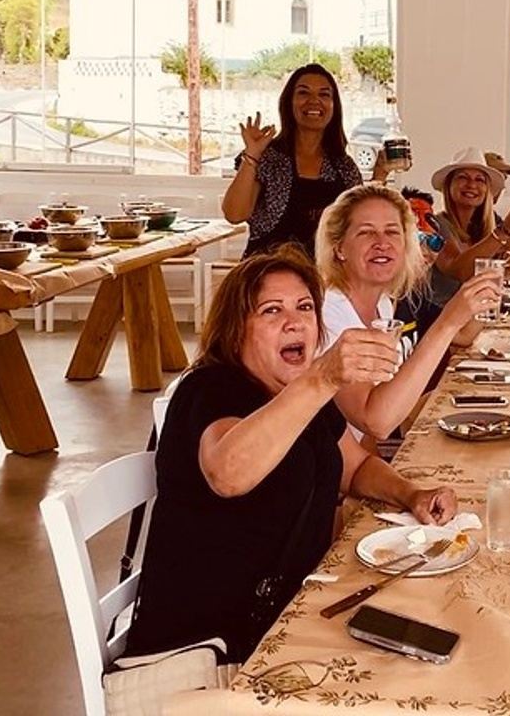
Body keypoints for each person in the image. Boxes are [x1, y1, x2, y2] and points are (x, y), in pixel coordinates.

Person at [123, 247, 457, 663]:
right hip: (211, 646)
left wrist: (412, 494)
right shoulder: (210, 389)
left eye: (304, 307)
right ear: (236, 329)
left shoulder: (299, 393)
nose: (295, 321)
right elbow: (228, 474)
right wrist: (322, 377)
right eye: (271, 310)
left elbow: (355, 468)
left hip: (290, 617)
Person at [315, 184, 502, 438]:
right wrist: (448, 322)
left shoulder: (382, 303)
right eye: (366, 232)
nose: (382, 243)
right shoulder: (328, 313)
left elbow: (368, 440)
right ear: (339, 248)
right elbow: (375, 422)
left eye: (392, 232)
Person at [222, 64, 364, 259]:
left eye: (324, 94)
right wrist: (252, 154)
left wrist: (380, 174)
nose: (314, 101)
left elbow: (360, 222)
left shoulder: (343, 166)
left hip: (323, 274)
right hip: (267, 270)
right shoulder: (268, 158)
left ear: (334, 106)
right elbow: (234, 214)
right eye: (304, 93)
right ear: (289, 102)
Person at [428, 147, 510, 302]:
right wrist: (503, 233)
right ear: (448, 186)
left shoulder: (487, 220)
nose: (471, 185)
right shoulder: (435, 225)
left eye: (479, 180)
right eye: (463, 177)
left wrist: (508, 258)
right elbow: (460, 272)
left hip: (482, 307)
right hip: (444, 312)